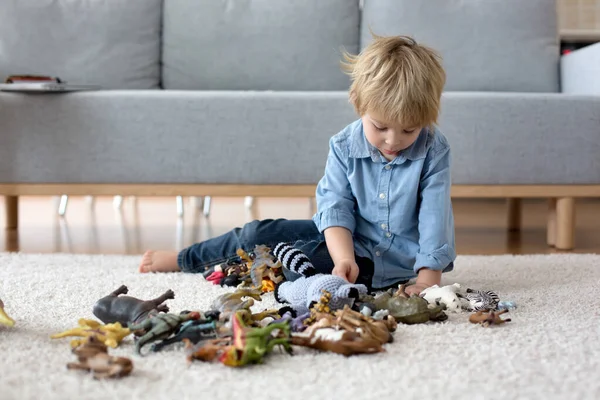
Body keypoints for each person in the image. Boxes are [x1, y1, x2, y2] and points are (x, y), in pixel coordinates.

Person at [139, 33, 456, 296]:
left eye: (409, 130)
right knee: (257, 232)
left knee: (296, 266)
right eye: (381, 127)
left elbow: (434, 218)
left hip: (394, 263)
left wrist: (427, 281)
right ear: (357, 102)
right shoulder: (344, 145)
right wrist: (343, 257)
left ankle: (263, 271)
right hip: (348, 242)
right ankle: (186, 259)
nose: (392, 141)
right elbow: (335, 206)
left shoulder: (433, 150)